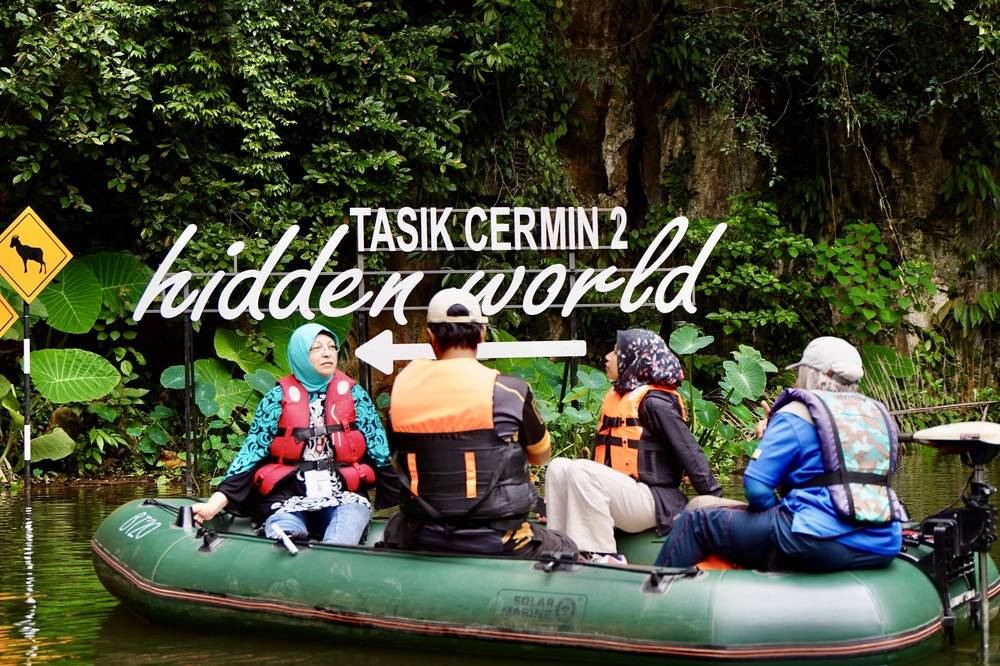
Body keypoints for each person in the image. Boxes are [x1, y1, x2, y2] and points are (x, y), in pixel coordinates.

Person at [656, 336, 906, 572]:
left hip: (817, 541)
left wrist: (776, 511)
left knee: (697, 519)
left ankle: (653, 599)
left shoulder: (795, 413)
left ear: (811, 373)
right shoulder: (877, 415)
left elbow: (756, 488)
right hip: (884, 542)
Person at [382, 288, 578, 558]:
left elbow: (396, 455)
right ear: (482, 334)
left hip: (422, 535)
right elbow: (540, 455)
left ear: (430, 336)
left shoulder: (400, 393)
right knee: (564, 545)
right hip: (500, 539)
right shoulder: (509, 391)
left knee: (392, 526)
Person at [191, 323, 394, 544]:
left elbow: (380, 450)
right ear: (300, 354)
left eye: (331, 346)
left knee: (342, 536)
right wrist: (213, 505)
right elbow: (250, 454)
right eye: (316, 348)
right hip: (287, 496)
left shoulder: (355, 395)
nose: (327, 353)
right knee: (285, 535)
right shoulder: (276, 398)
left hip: (344, 496)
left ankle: (334, 559)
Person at [543, 329, 725, 564]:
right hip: (622, 495)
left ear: (635, 360)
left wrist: (715, 500)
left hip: (654, 500)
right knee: (559, 466)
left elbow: (690, 453)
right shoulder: (619, 397)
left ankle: (602, 555)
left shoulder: (656, 403)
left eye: (617, 353)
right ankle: (562, 546)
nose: (607, 357)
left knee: (581, 469)